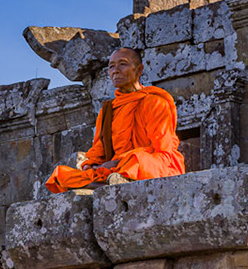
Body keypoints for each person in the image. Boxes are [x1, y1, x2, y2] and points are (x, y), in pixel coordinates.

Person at [45, 46, 186, 193]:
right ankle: (112, 182)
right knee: (60, 175)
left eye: (122, 64)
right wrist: (90, 165)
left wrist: (121, 160)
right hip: (114, 168)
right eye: (111, 66)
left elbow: (163, 150)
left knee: (137, 160)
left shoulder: (155, 102)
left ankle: (111, 182)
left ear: (139, 70)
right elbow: (98, 149)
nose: (115, 71)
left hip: (147, 164)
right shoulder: (107, 110)